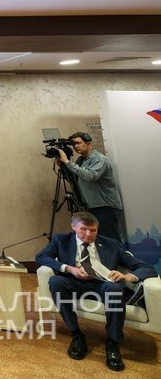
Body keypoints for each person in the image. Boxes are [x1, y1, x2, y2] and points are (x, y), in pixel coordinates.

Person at [36, 211, 156, 372]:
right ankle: (77, 334)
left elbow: (146, 267)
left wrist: (128, 277)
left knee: (114, 289)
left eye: (93, 230)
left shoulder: (111, 244)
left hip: (102, 284)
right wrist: (70, 269)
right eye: (83, 229)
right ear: (73, 227)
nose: (88, 234)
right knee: (56, 281)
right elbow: (41, 257)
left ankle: (113, 342)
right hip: (74, 282)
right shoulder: (61, 240)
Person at [56, 132, 125, 244]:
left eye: (78, 143)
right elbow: (75, 181)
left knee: (110, 241)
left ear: (88, 143)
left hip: (105, 206)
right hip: (92, 207)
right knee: (99, 242)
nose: (75, 146)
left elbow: (90, 176)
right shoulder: (81, 161)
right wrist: (63, 167)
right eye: (73, 144)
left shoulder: (99, 159)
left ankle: (119, 256)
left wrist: (68, 162)